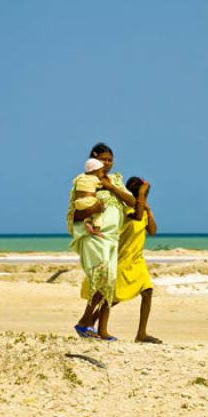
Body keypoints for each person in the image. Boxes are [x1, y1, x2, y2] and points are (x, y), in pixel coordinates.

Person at [67, 143, 134, 340]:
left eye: (110, 160)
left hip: (113, 238)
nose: (107, 163)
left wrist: (111, 187)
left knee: (108, 282)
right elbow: (77, 212)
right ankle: (85, 322)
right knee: (102, 275)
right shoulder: (85, 180)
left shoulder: (116, 180)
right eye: (103, 159)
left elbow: (131, 202)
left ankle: (91, 326)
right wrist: (96, 207)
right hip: (95, 237)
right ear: (94, 160)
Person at [114, 176, 162, 344]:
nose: (145, 196)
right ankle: (90, 322)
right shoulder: (127, 210)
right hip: (123, 258)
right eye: (143, 193)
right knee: (114, 298)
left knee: (147, 291)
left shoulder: (143, 210)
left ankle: (141, 334)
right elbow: (137, 215)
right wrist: (141, 199)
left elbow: (153, 231)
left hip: (137, 259)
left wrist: (149, 211)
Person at [73, 158, 106, 237]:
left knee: (89, 214)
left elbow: (74, 182)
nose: (102, 174)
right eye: (101, 171)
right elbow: (101, 186)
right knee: (98, 213)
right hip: (89, 200)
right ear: (94, 171)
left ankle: (87, 222)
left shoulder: (79, 178)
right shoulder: (95, 179)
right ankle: (96, 230)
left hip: (78, 202)